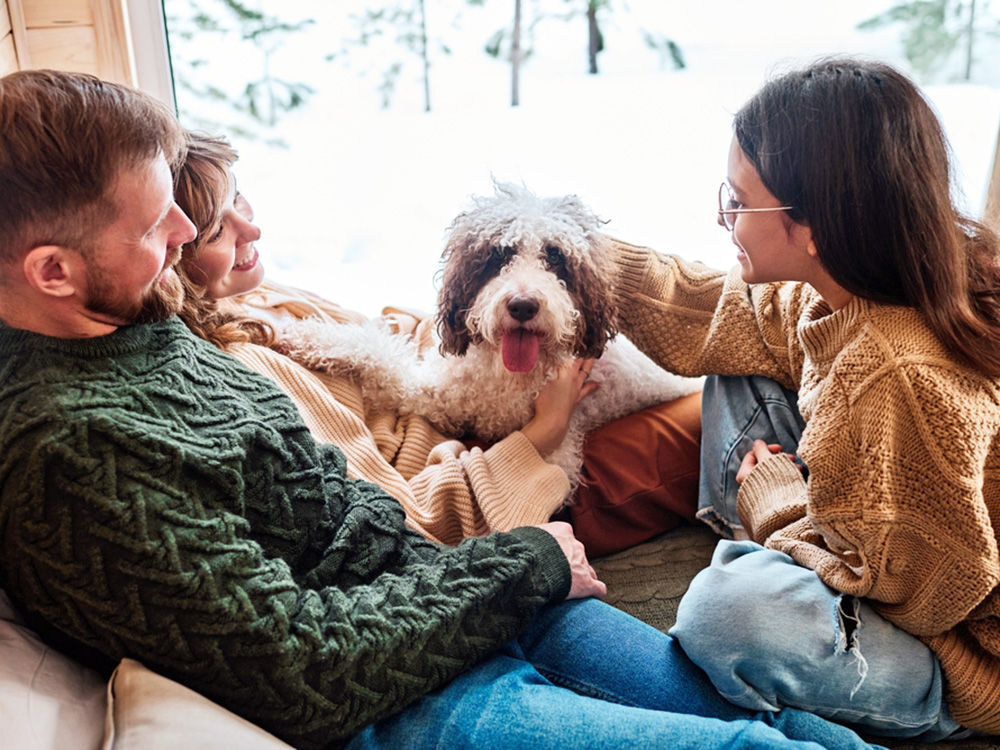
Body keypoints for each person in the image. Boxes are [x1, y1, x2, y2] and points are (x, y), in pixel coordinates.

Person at [0, 69, 883, 750]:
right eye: (160, 226)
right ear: (54, 271)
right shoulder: (74, 452)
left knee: (778, 719)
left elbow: (345, 507)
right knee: (746, 746)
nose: (189, 241)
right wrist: (515, 564)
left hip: (450, 589)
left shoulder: (136, 323)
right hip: (401, 693)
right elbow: (299, 662)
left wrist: (499, 570)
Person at [606, 56, 1000, 742]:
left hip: (958, 650)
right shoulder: (869, 275)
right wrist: (580, 256)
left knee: (728, 616)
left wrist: (779, 506)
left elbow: (925, 597)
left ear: (812, 224)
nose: (723, 217)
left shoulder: (898, 377)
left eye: (738, 200)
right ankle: (781, 547)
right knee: (733, 361)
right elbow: (725, 313)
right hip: (878, 523)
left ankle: (774, 592)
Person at [170, 131, 702, 553]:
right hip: (507, 480)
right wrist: (548, 426)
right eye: (219, 229)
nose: (253, 232)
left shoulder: (260, 294)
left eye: (241, 198)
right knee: (722, 413)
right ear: (171, 248)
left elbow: (393, 342)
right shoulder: (240, 362)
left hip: (483, 421)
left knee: (721, 393)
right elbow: (401, 511)